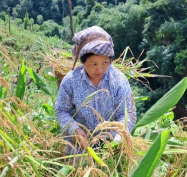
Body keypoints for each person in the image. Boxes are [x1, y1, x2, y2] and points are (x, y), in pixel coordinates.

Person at [54, 26, 137, 154]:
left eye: (105, 63)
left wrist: (118, 138)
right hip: (79, 149)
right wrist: (75, 130)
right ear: (83, 62)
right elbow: (61, 111)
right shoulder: (71, 81)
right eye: (93, 64)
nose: (100, 69)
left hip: (111, 148)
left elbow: (127, 114)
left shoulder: (119, 80)